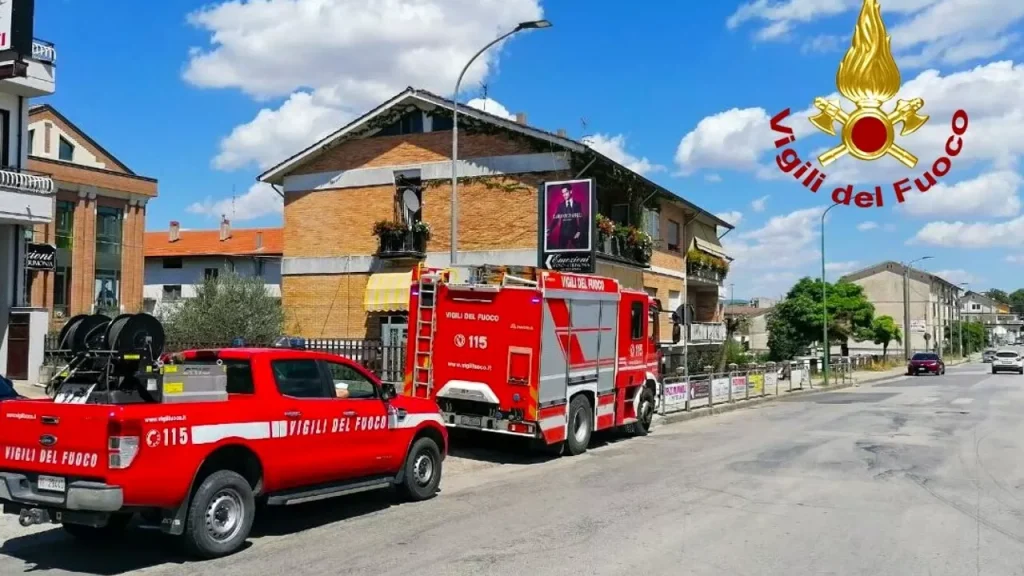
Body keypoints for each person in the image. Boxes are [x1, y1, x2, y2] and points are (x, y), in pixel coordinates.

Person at [550, 184, 583, 249]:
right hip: (563, 234)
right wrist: (550, 230)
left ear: (571, 191)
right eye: (563, 193)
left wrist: (579, 231)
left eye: (566, 192)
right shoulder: (560, 206)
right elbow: (556, 219)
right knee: (560, 253)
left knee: (580, 252)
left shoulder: (577, 204)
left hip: (575, 232)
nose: (564, 195)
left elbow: (580, 219)